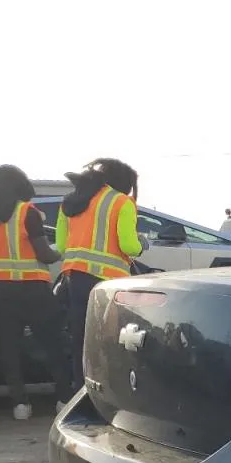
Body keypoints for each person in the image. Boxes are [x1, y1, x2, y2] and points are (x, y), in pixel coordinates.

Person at [0, 164, 73, 420]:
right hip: (33, 290)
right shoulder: (27, 212)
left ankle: (20, 405)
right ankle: (63, 399)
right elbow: (44, 254)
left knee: (8, 347)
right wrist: (61, 250)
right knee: (51, 343)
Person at [55, 158, 143, 392]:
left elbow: (61, 246)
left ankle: (79, 391)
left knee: (80, 338)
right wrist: (141, 245)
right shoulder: (121, 201)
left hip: (74, 279)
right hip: (108, 283)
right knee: (108, 340)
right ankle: (107, 393)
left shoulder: (71, 202)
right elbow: (129, 246)